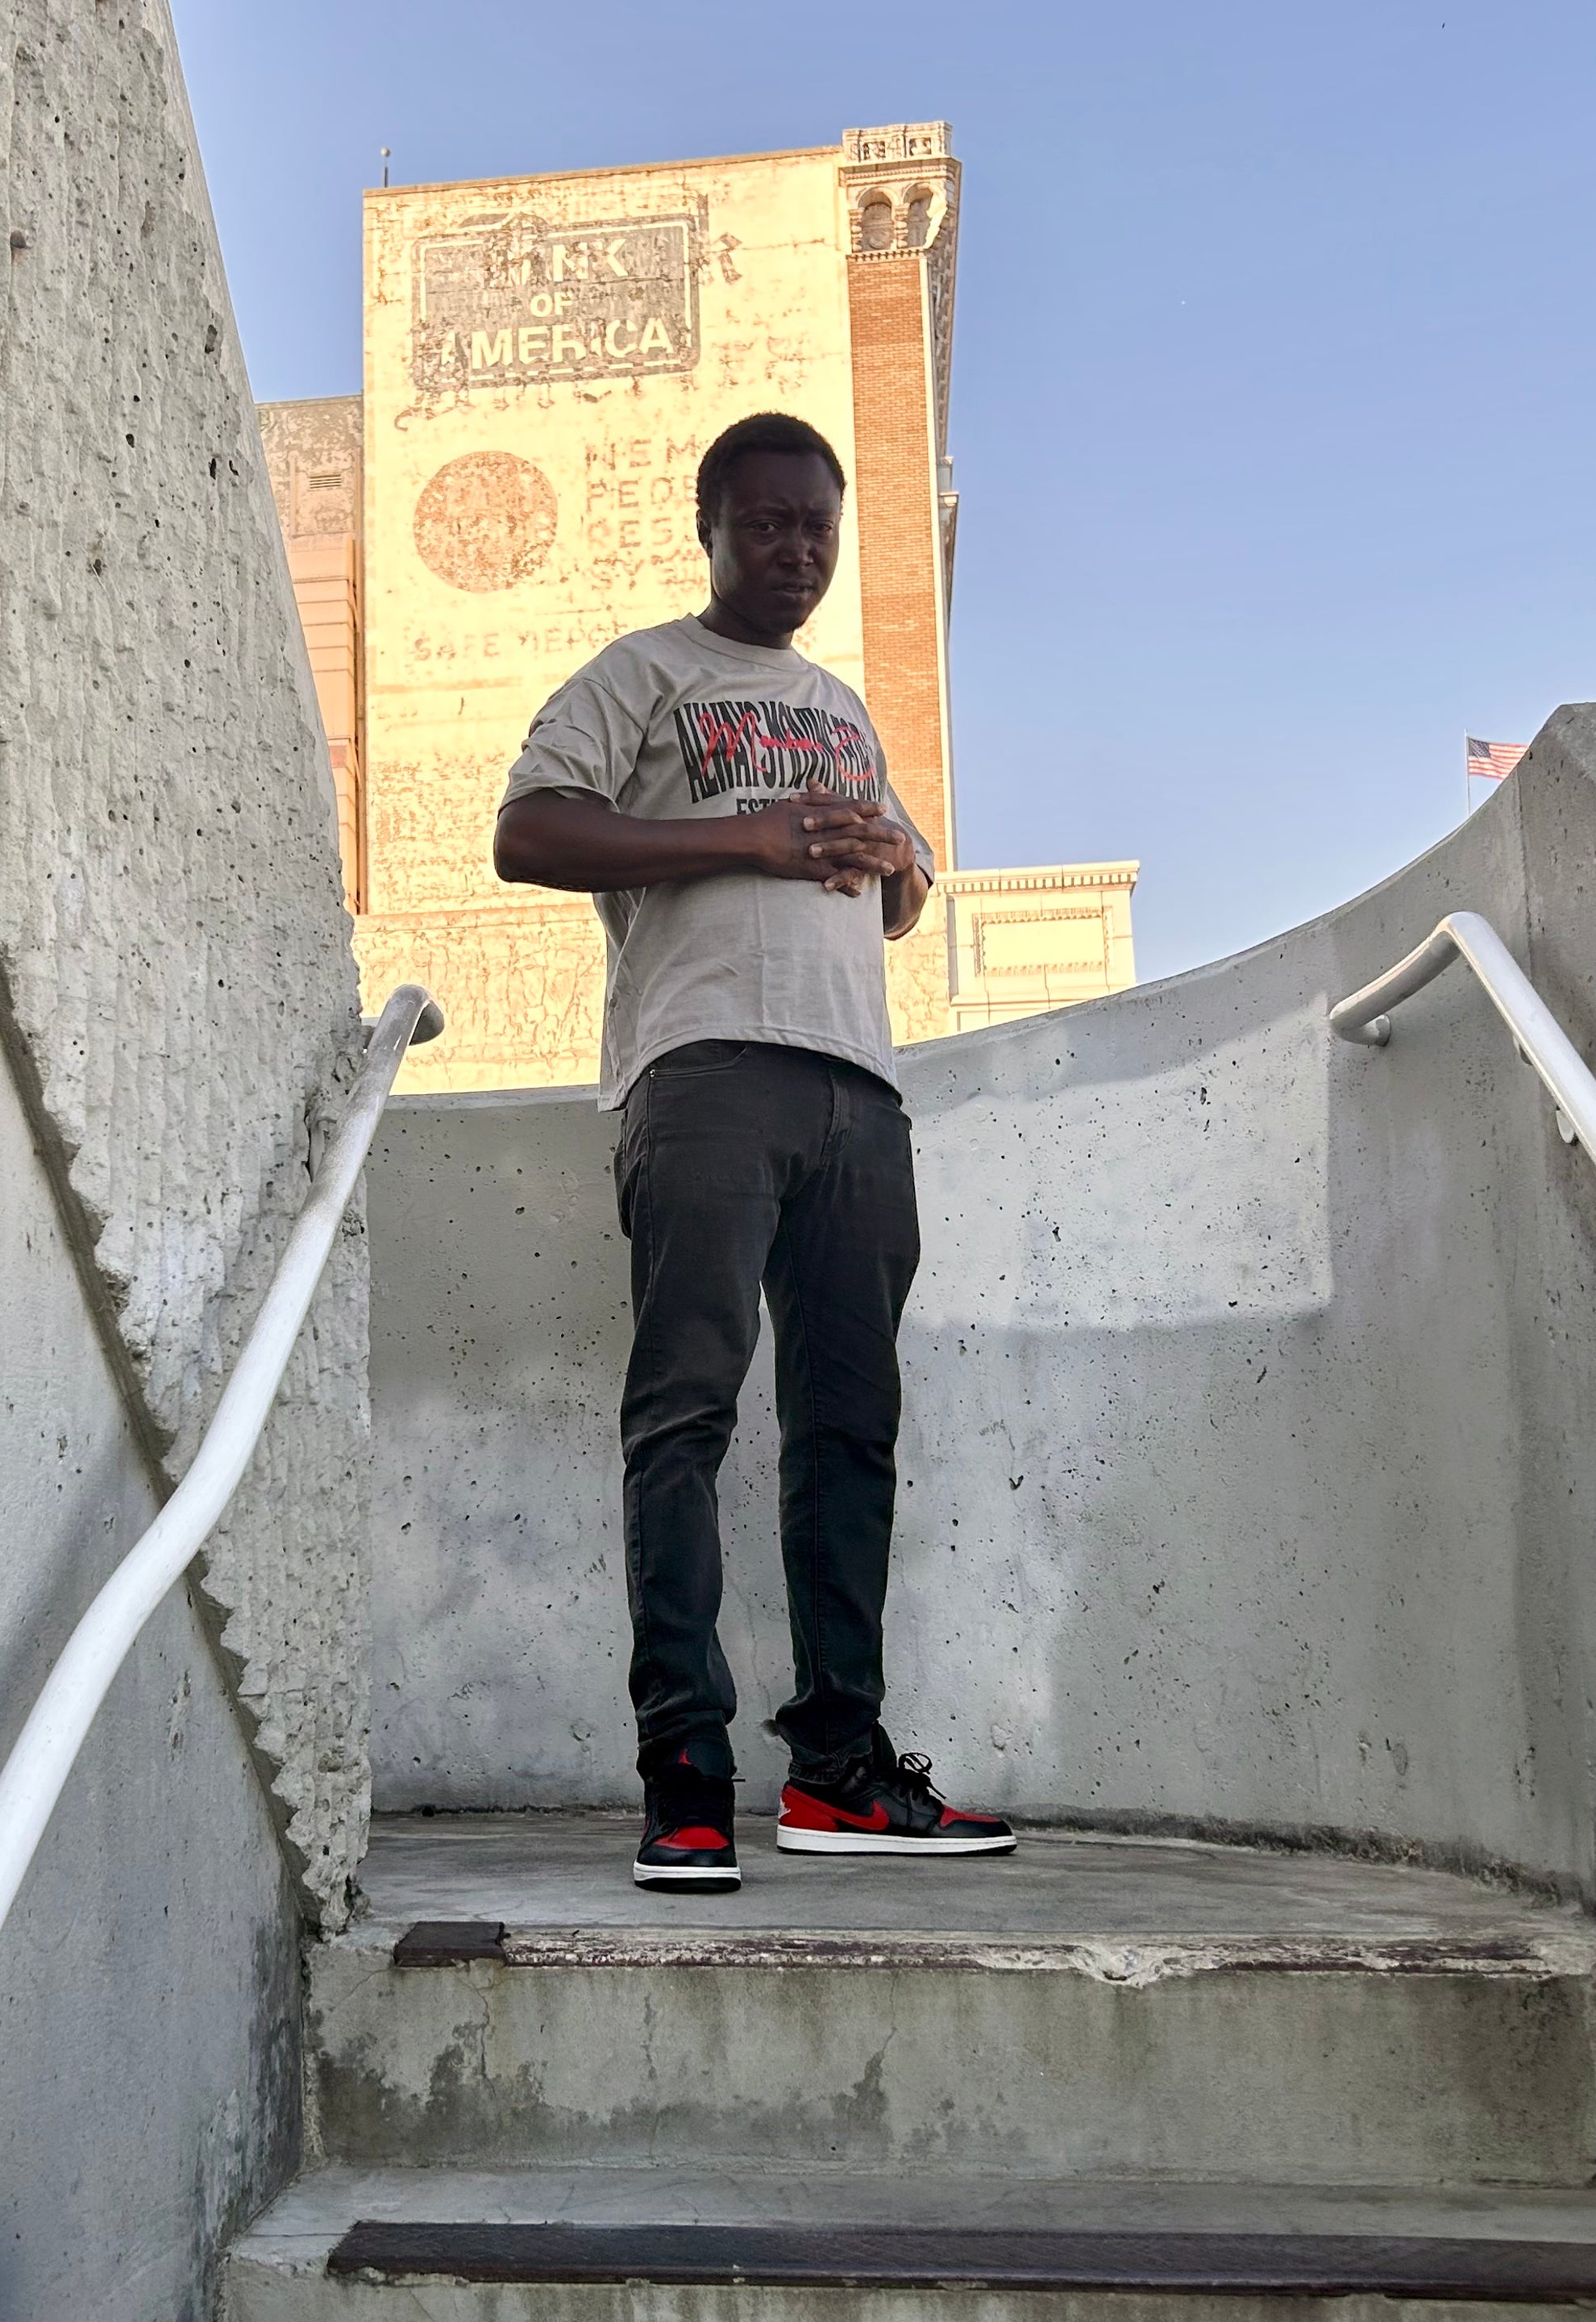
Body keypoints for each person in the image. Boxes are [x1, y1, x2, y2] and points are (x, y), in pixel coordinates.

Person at [493, 410, 1016, 1893]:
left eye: (819, 529)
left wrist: (883, 853)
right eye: (769, 524)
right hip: (705, 1071)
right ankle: (687, 1784)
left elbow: (905, 892)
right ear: (711, 529)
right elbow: (527, 833)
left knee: (849, 1430)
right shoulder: (642, 674)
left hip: (859, 1087)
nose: (797, 550)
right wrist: (752, 840)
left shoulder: (845, 702)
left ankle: (840, 1773)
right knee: (687, 1420)